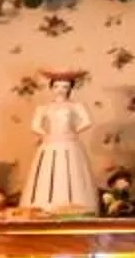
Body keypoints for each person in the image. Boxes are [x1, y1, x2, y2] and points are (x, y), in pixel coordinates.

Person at [24, 71, 97, 216]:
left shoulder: (76, 105)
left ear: (70, 88)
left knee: (71, 173)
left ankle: (73, 207)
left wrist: (74, 131)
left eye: (65, 86)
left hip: (70, 143)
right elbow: (35, 125)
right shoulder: (44, 107)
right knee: (47, 172)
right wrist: (46, 135)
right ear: (51, 87)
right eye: (57, 86)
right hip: (50, 144)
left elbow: (87, 121)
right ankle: (45, 207)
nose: (60, 90)